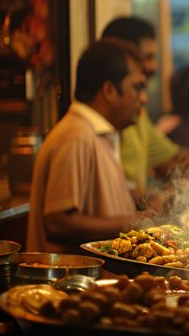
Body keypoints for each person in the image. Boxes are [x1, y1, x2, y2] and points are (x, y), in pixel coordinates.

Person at [27, 41, 148, 253]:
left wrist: (142, 200)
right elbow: (57, 223)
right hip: (72, 284)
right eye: (136, 88)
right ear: (109, 90)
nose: (143, 99)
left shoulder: (99, 133)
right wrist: (139, 221)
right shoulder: (76, 136)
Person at [101, 17, 189, 198]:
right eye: (148, 57)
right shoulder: (94, 126)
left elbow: (170, 161)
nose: (154, 67)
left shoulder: (138, 114)